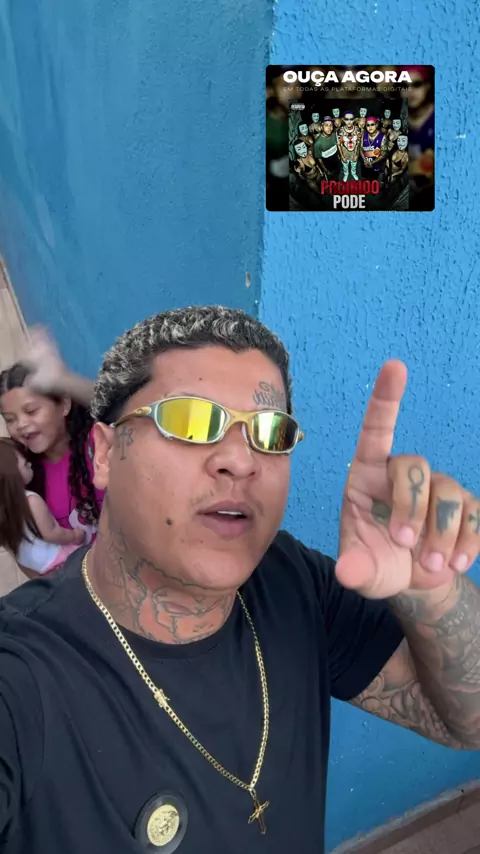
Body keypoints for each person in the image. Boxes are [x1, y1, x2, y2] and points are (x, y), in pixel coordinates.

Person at [0, 305, 479, 854]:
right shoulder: (23, 675)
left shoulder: (291, 578)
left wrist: (428, 587)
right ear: (104, 453)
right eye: (189, 420)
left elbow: (466, 724)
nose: (241, 459)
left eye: (270, 433)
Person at [0, 328, 104, 538]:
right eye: (10, 419)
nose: (21, 424)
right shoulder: (22, 471)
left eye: (31, 411)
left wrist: (64, 380)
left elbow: (127, 409)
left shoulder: (99, 443)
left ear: (64, 404)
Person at [0, 438, 84, 580]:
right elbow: (51, 534)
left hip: (38, 570)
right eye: (25, 464)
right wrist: (74, 536)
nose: (30, 464)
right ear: (12, 475)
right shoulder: (31, 501)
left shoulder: (5, 511)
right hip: (59, 560)